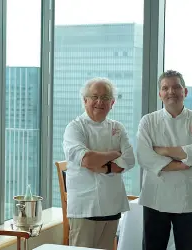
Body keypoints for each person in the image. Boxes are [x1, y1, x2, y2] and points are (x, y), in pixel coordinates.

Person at [137, 70, 192, 250]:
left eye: (176, 87)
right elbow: (144, 156)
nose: (171, 91)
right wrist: (181, 164)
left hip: (188, 199)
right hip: (155, 197)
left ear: (185, 92)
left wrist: (164, 150)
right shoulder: (148, 121)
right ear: (160, 94)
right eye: (165, 88)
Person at [63, 77, 135, 250]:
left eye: (105, 98)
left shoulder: (117, 128)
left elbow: (129, 159)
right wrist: (114, 153)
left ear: (112, 103)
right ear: (85, 100)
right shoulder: (75, 128)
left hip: (111, 203)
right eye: (94, 97)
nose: (99, 102)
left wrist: (105, 166)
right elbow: (87, 160)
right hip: (85, 206)